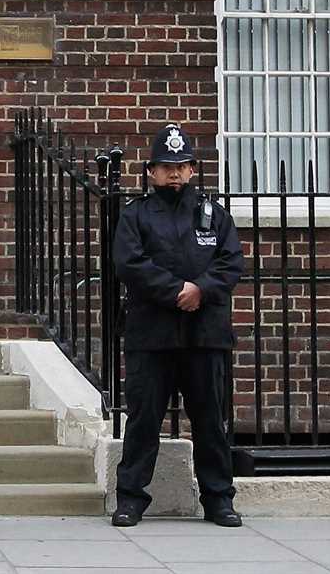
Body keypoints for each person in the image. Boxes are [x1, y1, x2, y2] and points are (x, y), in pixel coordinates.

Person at [111, 122, 244, 529]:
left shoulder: (214, 215)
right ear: (151, 171)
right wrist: (176, 291)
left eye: (182, 165)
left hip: (205, 334)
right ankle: (131, 499)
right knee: (143, 421)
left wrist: (200, 290)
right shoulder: (135, 216)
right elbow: (129, 264)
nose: (174, 172)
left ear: (192, 170)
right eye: (166, 165)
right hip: (152, 336)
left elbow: (231, 262)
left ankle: (219, 499)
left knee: (210, 421)